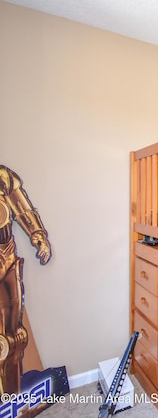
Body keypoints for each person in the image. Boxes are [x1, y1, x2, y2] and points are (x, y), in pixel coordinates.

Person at [0, 165, 51, 395]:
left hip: (6, 255)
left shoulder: (3, 177)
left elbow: (23, 210)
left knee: (15, 338)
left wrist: (38, 236)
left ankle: (13, 400)